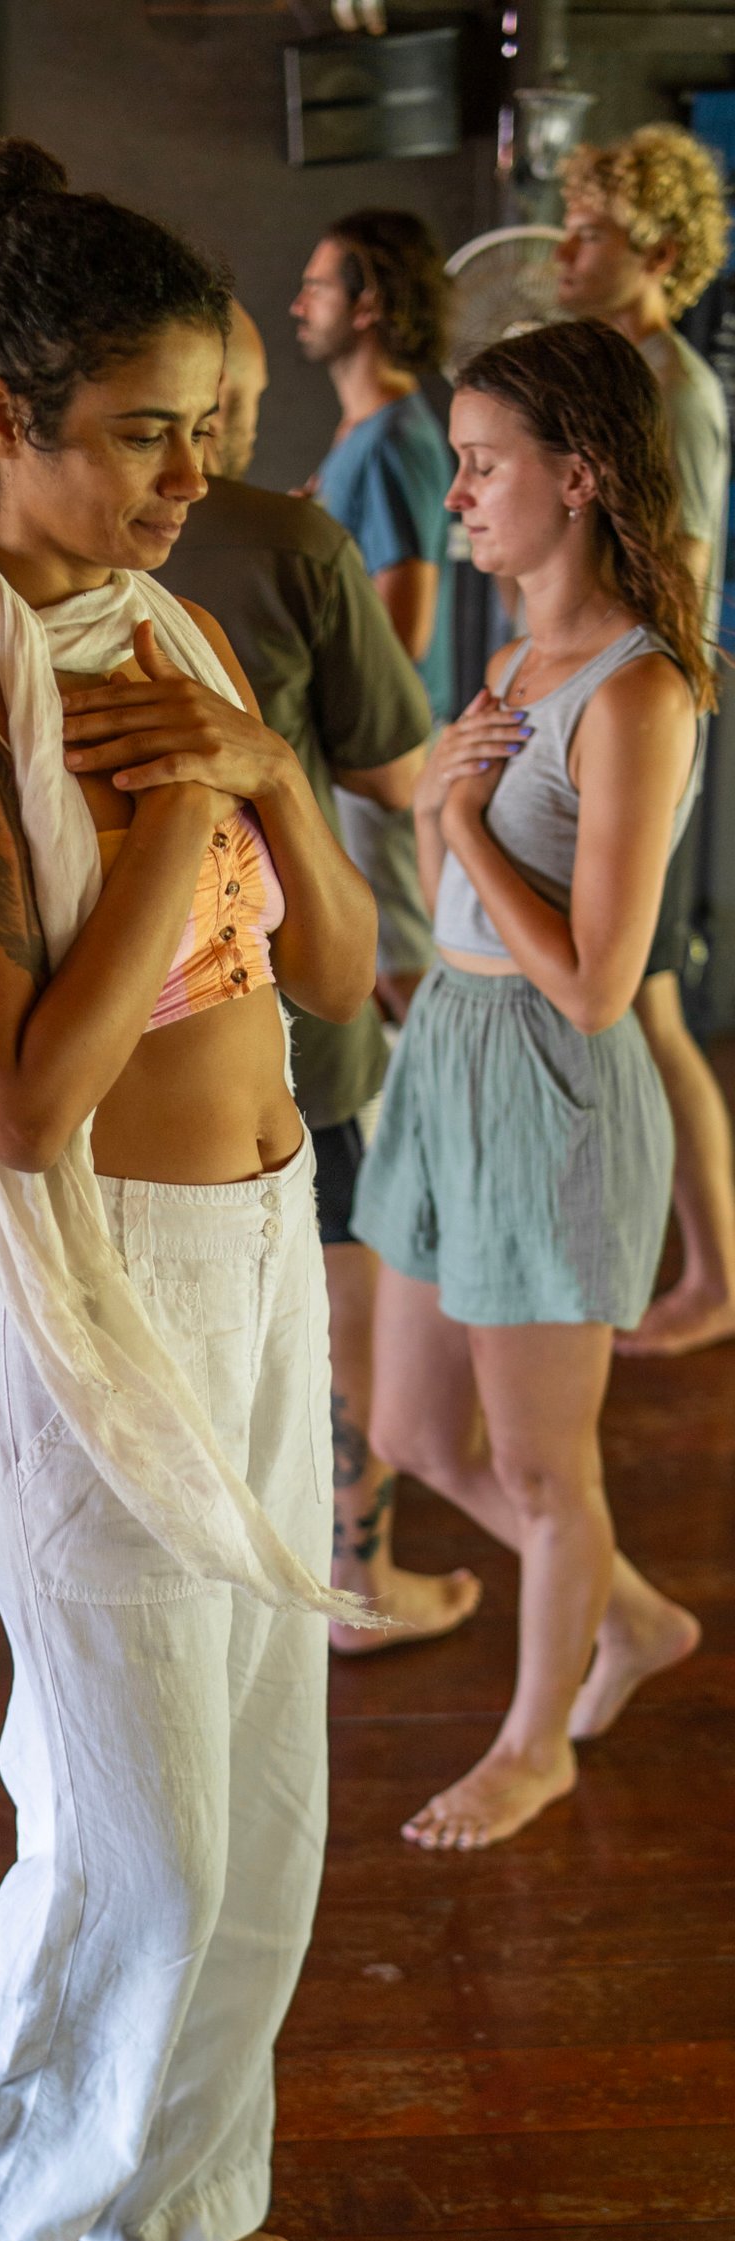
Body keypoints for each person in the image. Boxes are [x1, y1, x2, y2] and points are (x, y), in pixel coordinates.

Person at [0, 140, 377, 2241]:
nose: (189, 480)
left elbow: (345, 975)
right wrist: (188, 806)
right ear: (2, 418)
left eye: (211, 433)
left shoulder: (164, 627)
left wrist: (259, 759)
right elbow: (16, 1104)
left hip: (266, 1240)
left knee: (263, 1789)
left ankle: (179, 2178)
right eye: (145, 431)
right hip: (91, 1299)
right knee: (122, 1822)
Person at [352, 319, 710, 1851]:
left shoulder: (637, 693)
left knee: (545, 1466)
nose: (459, 495)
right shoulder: (511, 658)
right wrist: (446, 842)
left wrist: (465, 819)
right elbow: (462, 883)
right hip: (450, 1055)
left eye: (485, 466)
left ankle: (532, 1742)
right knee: (421, 1433)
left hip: (556, 1085)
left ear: (577, 476)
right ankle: (624, 1615)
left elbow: (600, 981)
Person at [164, 305, 479, 1645]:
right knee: (337, 1270)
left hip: (133, 1018)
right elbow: (397, 768)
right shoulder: (290, 539)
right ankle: (355, 1566)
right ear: (227, 399)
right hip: (290, 987)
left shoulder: (5, 562)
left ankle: (228, 1561)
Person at [556, 127, 735, 1358]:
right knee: (642, 1005)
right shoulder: (618, 374)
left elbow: (681, 578)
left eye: (591, 236)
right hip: (599, 716)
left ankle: (715, 1272)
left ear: (659, 253)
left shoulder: (674, 390)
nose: (565, 254)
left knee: (651, 1006)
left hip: (641, 723)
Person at [292, 209, 454, 1019]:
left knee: (401, 969)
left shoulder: (396, 439)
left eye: (316, 287)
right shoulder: (363, 431)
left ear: (368, 306)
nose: (299, 304)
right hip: (357, 754)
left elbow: (403, 630)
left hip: (383, 753)